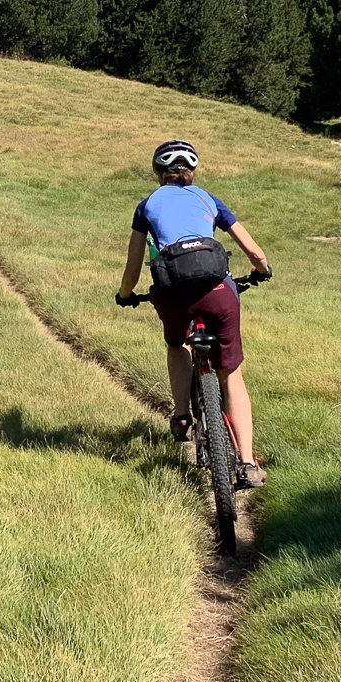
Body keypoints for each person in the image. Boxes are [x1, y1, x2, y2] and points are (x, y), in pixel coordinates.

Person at [116, 139, 272, 488]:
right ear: (192, 172)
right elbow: (255, 252)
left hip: (173, 294)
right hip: (218, 294)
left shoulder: (147, 205)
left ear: (159, 174)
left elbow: (133, 268)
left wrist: (125, 295)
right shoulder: (208, 199)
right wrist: (261, 271)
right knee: (231, 374)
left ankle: (183, 416)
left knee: (177, 345)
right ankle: (246, 463)